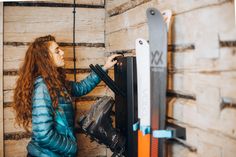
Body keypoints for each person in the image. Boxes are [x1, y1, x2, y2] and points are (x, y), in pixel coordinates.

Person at [13, 35, 121, 157]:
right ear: (45, 57)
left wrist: (105, 67)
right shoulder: (42, 88)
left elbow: (80, 88)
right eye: (57, 51)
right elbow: (43, 134)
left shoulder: (55, 82)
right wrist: (71, 148)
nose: (62, 53)